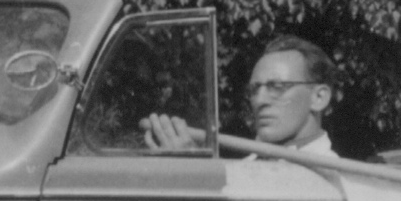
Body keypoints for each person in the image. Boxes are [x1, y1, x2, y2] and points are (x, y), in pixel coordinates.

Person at [143, 36, 337, 155]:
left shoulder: (338, 183)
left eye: (277, 87)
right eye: (254, 90)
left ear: (319, 98)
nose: (259, 100)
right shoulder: (249, 165)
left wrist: (196, 174)